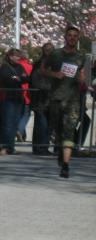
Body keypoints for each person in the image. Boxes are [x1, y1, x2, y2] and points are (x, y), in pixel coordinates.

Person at [42, 25, 87, 178]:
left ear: (78, 38)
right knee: (58, 130)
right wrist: (55, 74)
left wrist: (82, 79)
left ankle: (66, 165)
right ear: (65, 37)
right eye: (70, 35)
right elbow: (42, 69)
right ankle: (61, 152)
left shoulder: (81, 56)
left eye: (75, 36)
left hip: (73, 99)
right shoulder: (55, 54)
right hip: (56, 98)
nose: (72, 38)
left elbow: (82, 74)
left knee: (69, 131)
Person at [0, 49, 29, 155]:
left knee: (15, 123)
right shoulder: (5, 67)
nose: (18, 58)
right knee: (7, 123)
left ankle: (11, 147)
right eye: (16, 56)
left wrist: (17, 78)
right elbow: (7, 79)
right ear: (10, 56)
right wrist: (18, 78)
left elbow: (26, 78)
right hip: (8, 98)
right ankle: (4, 146)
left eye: (19, 56)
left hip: (18, 98)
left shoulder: (20, 67)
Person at [30, 42, 54, 155]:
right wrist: (48, 88)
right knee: (41, 124)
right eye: (47, 50)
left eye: (50, 50)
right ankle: (39, 148)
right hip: (40, 99)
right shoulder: (39, 64)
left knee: (47, 125)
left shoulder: (55, 65)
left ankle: (42, 147)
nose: (48, 52)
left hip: (50, 99)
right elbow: (34, 81)